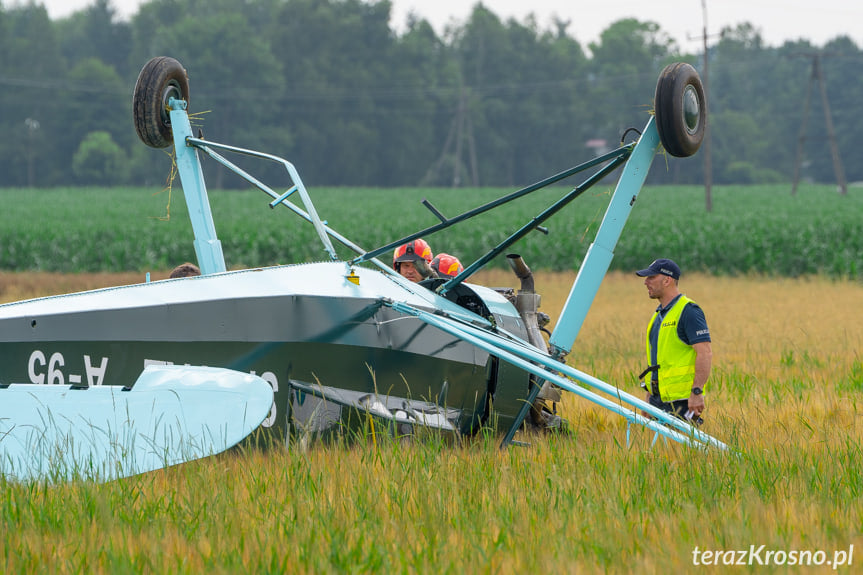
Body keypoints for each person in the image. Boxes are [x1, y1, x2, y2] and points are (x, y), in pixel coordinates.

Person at [636, 258, 712, 424]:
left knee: (681, 449)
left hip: (682, 401)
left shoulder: (689, 311)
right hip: (658, 399)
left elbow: (705, 353)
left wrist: (697, 393)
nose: (646, 282)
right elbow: (658, 361)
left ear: (667, 280)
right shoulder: (658, 315)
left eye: (651, 277)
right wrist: (649, 396)